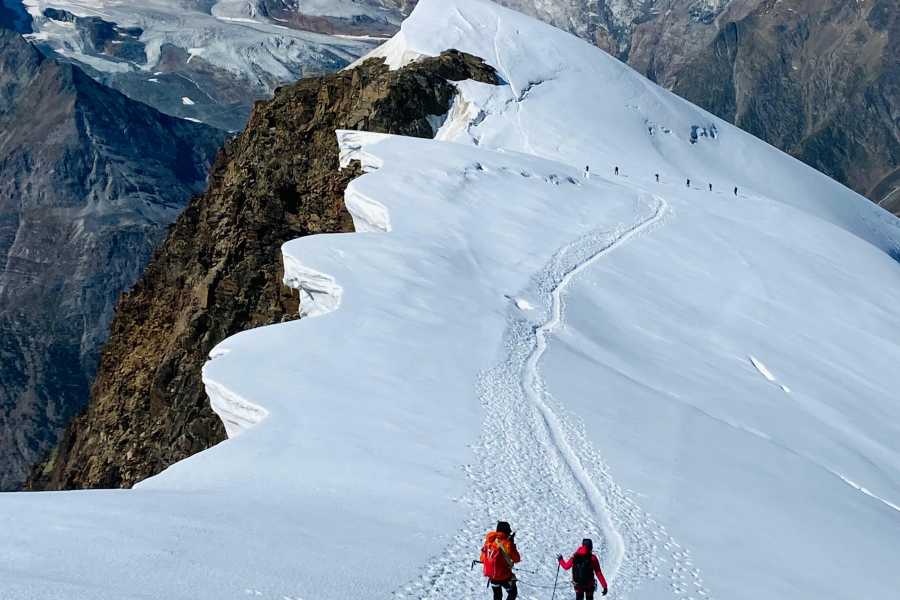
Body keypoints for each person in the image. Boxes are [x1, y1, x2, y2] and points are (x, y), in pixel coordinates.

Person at [480, 521, 521, 600]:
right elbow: (517, 559)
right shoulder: (507, 543)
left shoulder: (489, 542)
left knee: (497, 596)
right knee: (513, 593)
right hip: (504, 576)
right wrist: (512, 544)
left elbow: (482, 558)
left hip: (492, 576)